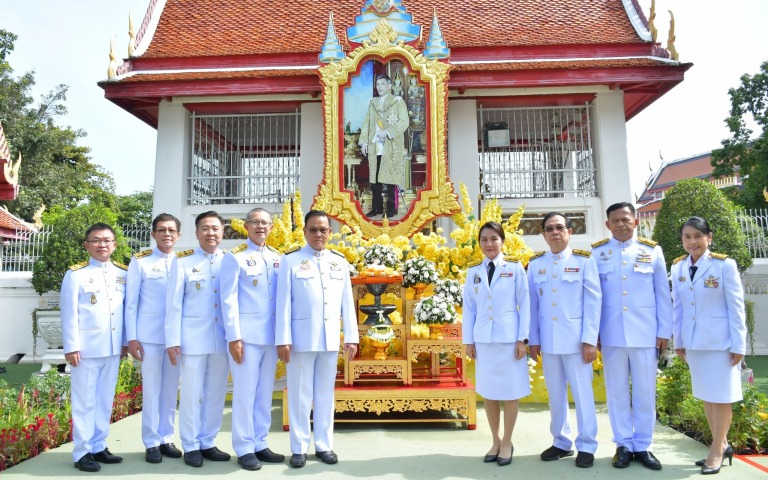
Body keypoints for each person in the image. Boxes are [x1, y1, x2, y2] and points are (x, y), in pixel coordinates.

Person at [275, 210, 359, 468]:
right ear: (305, 232)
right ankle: (299, 447)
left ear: (330, 233)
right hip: (300, 340)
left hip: (330, 339)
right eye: (313, 229)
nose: (318, 234)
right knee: (300, 395)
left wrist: (352, 337)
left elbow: (347, 301)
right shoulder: (290, 260)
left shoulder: (339, 261)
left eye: (323, 229)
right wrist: (283, 338)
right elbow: (283, 303)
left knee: (325, 394)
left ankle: (324, 445)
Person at [592, 202, 670, 470]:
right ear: (607, 224)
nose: (620, 224)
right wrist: (594, 334)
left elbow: (663, 294)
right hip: (611, 334)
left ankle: (644, 445)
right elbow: (592, 299)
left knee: (645, 392)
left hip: (645, 333)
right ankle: (623, 444)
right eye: (615, 220)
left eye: (625, 219)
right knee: (616, 393)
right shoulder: (597, 253)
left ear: (636, 222)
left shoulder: (652, 251)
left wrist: (663, 332)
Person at [671, 217, 746, 475]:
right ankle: (723, 444)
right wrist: (679, 341)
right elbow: (678, 308)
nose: (692, 242)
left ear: (709, 238)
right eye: (687, 237)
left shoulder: (724, 265)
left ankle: (715, 450)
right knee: (706, 394)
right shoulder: (678, 268)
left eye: (697, 236)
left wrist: (739, 343)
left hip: (720, 343)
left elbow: (736, 307)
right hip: (693, 342)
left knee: (722, 395)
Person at [528, 212, 601, 468]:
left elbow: (593, 303)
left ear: (570, 231)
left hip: (577, 342)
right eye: (550, 229)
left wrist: (590, 340)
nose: (555, 232)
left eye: (560, 227)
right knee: (555, 394)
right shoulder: (536, 264)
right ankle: (561, 441)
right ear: (543, 234)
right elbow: (532, 307)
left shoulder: (584, 261)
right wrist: (533, 340)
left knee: (583, 394)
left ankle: (587, 445)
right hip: (548, 342)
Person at [220, 208, 285, 471]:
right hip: (245, 338)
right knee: (245, 393)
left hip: (270, 338)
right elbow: (228, 300)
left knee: (264, 394)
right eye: (255, 222)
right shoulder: (235, 258)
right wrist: (234, 336)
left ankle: (260, 442)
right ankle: (244, 447)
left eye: (265, 223)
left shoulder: (277, 258)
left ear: (272, 227)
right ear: (246, 226)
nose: (260, 227)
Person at [165, 211, 231, 467]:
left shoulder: (230, 261)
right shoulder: (182, 263)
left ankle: (208, 441)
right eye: (205, 228)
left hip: (222, 340)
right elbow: (173, 306)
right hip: (192, 340)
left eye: (215, 228)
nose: (211, 233)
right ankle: (191, 444)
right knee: (192, 393)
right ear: (196, 233)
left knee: (216, 393)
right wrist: (173, 340)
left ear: (223, 232)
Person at [462, 221, 530, 466]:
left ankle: (508, 441)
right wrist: (468, 341)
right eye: (484, 240)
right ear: (479, 243)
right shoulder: (473, 272)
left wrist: (523, 339)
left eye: (494, 239)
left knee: (510, 393)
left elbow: (525, 304)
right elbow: (469, 309)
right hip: (485, 341)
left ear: (502, 241)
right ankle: (495, 440)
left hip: (509, 341)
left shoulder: (514, 268)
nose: (489, 244)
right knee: (489, 393)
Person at [61, 223, 127, 472]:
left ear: (114, 245)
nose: (102, 245)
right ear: (86, 245)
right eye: (96, 240)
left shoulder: (123, 273)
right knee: (84, 401)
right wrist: (71, 346)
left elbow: (126, 311)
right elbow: (68, 314)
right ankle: (82, 452)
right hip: (85, 350)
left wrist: (123, 342)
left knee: (104, 400)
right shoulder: (76, 274)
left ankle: (99, 445)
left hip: (112, 348)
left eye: (107, 240)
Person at [125, 213, 183, 464]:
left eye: (171, 230)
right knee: (152, 391)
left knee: (171, 391)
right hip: (149, 336)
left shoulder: (185, 261)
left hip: (177, 339)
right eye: (161, 230)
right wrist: (132, 338)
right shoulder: (141, 262)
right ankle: (150, 442)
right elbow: (131, 303)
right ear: (153, 234)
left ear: (178, 235)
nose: (167, 234)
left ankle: (166, 437)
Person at [359, 74, 410, 219]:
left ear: (389, 86)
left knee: (391, 178)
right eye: (377, 84)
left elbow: (404, 122)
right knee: (374, 179)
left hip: (391, 145)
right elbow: (367, 123)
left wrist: (387, 132)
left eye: (382, 84)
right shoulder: (372, 103)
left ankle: (392, 209)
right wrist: (364, 142)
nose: (379, 87)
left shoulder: (397, 101)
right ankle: (377, 208)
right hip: (375, 145)